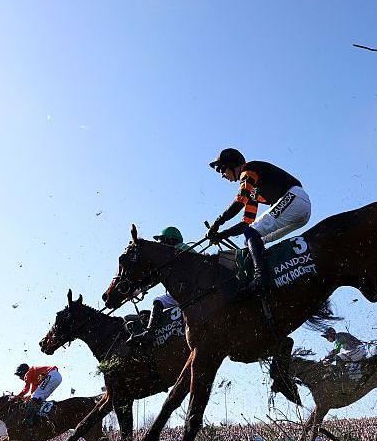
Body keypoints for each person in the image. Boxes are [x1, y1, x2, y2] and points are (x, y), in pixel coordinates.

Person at [206, 148, 311, 296]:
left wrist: (217, 223)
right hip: (300, 210)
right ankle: (275, 273)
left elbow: (239, 201)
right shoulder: (252, 191)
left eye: (222, 170)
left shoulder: (248, 170)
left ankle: (260, 279)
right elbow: (246, 224)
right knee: (252, 239)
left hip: (295, 197)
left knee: (252, 234)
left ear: (231, 165)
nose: (223, 176)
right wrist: (222, 235)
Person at [126, 227, 189, 346]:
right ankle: (150, 331)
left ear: (169, 240)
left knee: (158, 301)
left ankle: (150, 333)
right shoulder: (177, 250)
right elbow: (157, 276)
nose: (159, 244)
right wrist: (139, 290)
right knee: (158, 301)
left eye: (160, 240)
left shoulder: (179, 249)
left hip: (188, 291)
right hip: (182, 291)